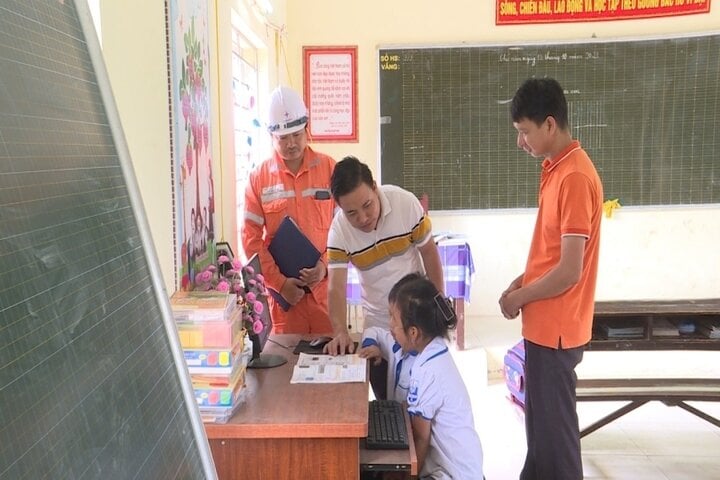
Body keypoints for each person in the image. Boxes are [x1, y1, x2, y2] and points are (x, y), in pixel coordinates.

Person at [498, 77, 603, 480]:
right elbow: (552, 254)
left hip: (557, 330)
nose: (520, 142)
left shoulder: (574, 177)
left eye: (524, 132)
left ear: (549, 125)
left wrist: (521, 296)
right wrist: (520, 280)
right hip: (543, 328)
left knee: (556, 447)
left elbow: (569, 270)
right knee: (540, 441)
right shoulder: (555, 169)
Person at [324, 156, 443, 400]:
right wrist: (340, 332)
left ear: (375, 188)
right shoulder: (339, 231)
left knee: (424, 397)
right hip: (378, 321)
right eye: (352, 213)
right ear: (339, 209)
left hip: (416, 318)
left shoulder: (405, 203)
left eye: (367, 205)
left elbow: (430, 254)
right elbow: (336, 288)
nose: (363, 218)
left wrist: (439, 304)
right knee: (385, 398)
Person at [241, 86, 335, 334]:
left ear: (307, 129)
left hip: (325, 296)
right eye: (283, 137)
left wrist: (325, 265)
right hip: (285, 303)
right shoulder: (258, 179)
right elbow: (251, 239)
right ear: (271, 136)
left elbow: (346, 229)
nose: (291, 143)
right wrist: (281, 285)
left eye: (296, 134)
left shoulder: (330, 169)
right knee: (285, 367)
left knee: (331, 363)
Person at [390, 272, 483, 479]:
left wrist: (408, 478)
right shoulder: (433, 353)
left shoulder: (429, 370)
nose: (391, 327)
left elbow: (421, 438)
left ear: (413, 333)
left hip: (454, 474)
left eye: (394, 319)